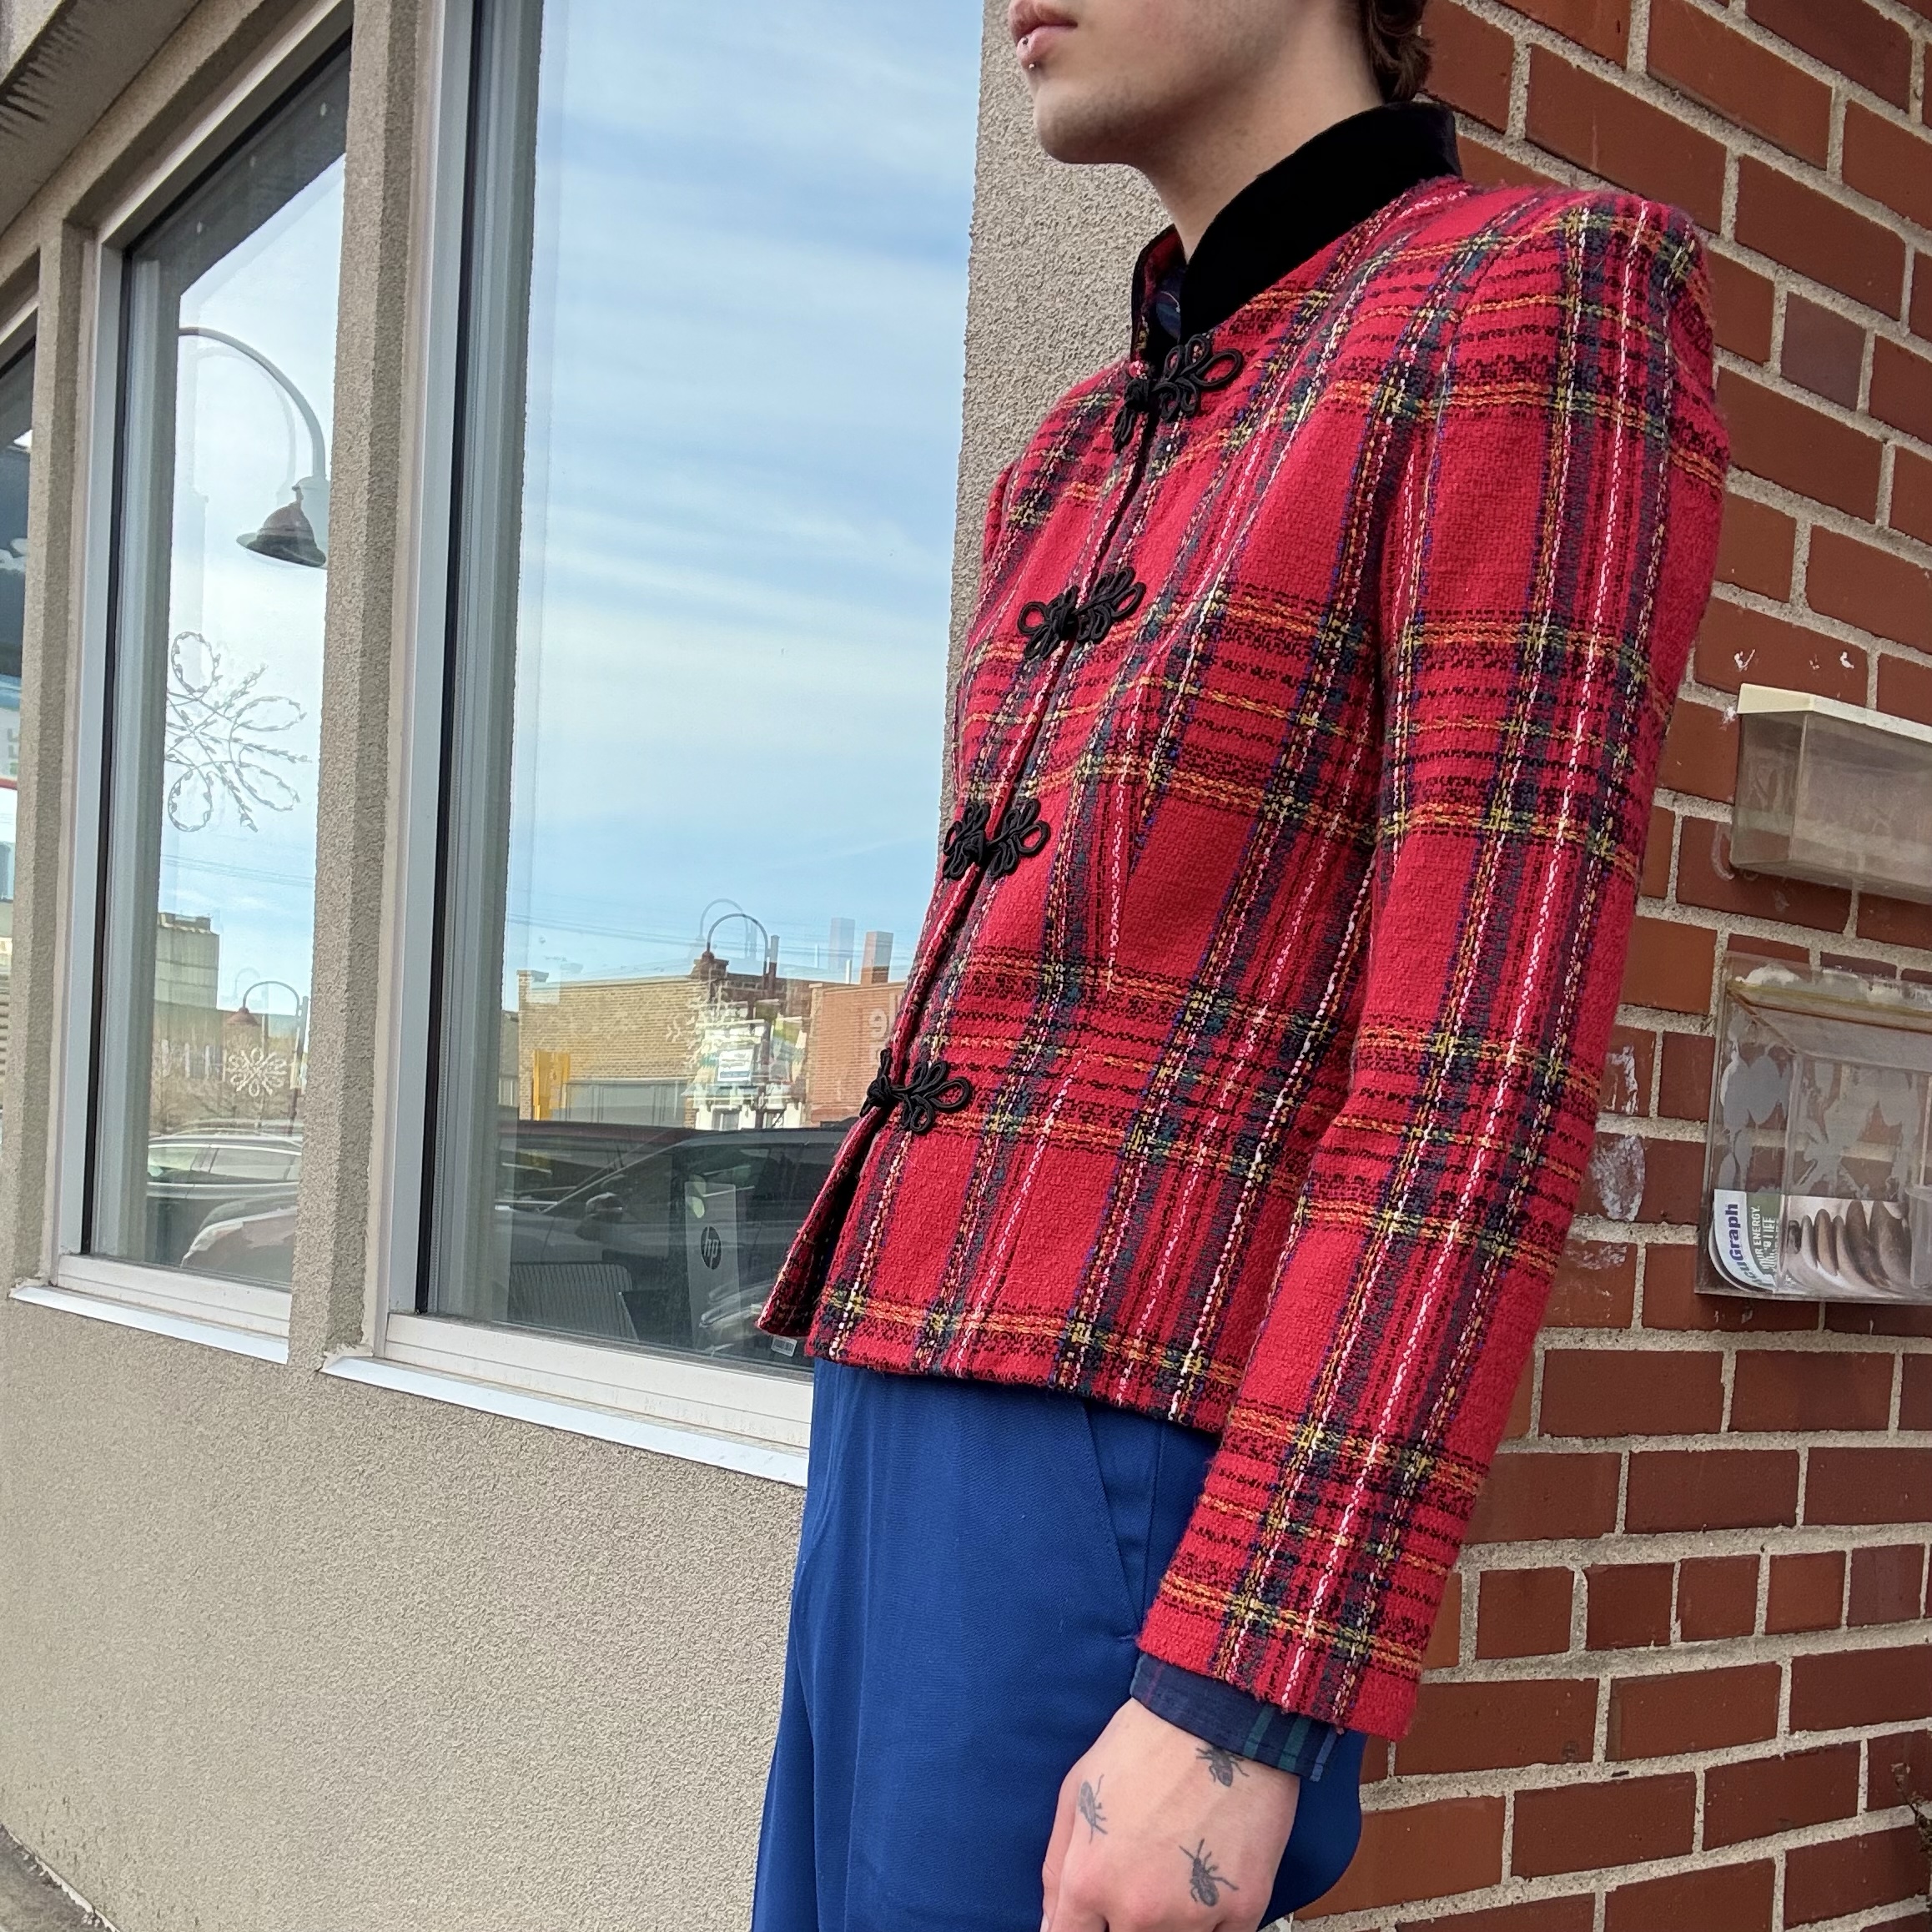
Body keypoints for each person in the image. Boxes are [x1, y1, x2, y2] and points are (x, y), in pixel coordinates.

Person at [751, 0, 1728, 1926]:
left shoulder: (1528, 302)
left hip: (1125, 1454)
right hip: (899, 1403)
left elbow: (1479, 1071)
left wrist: (1245, 1691)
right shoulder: (1074, 450)